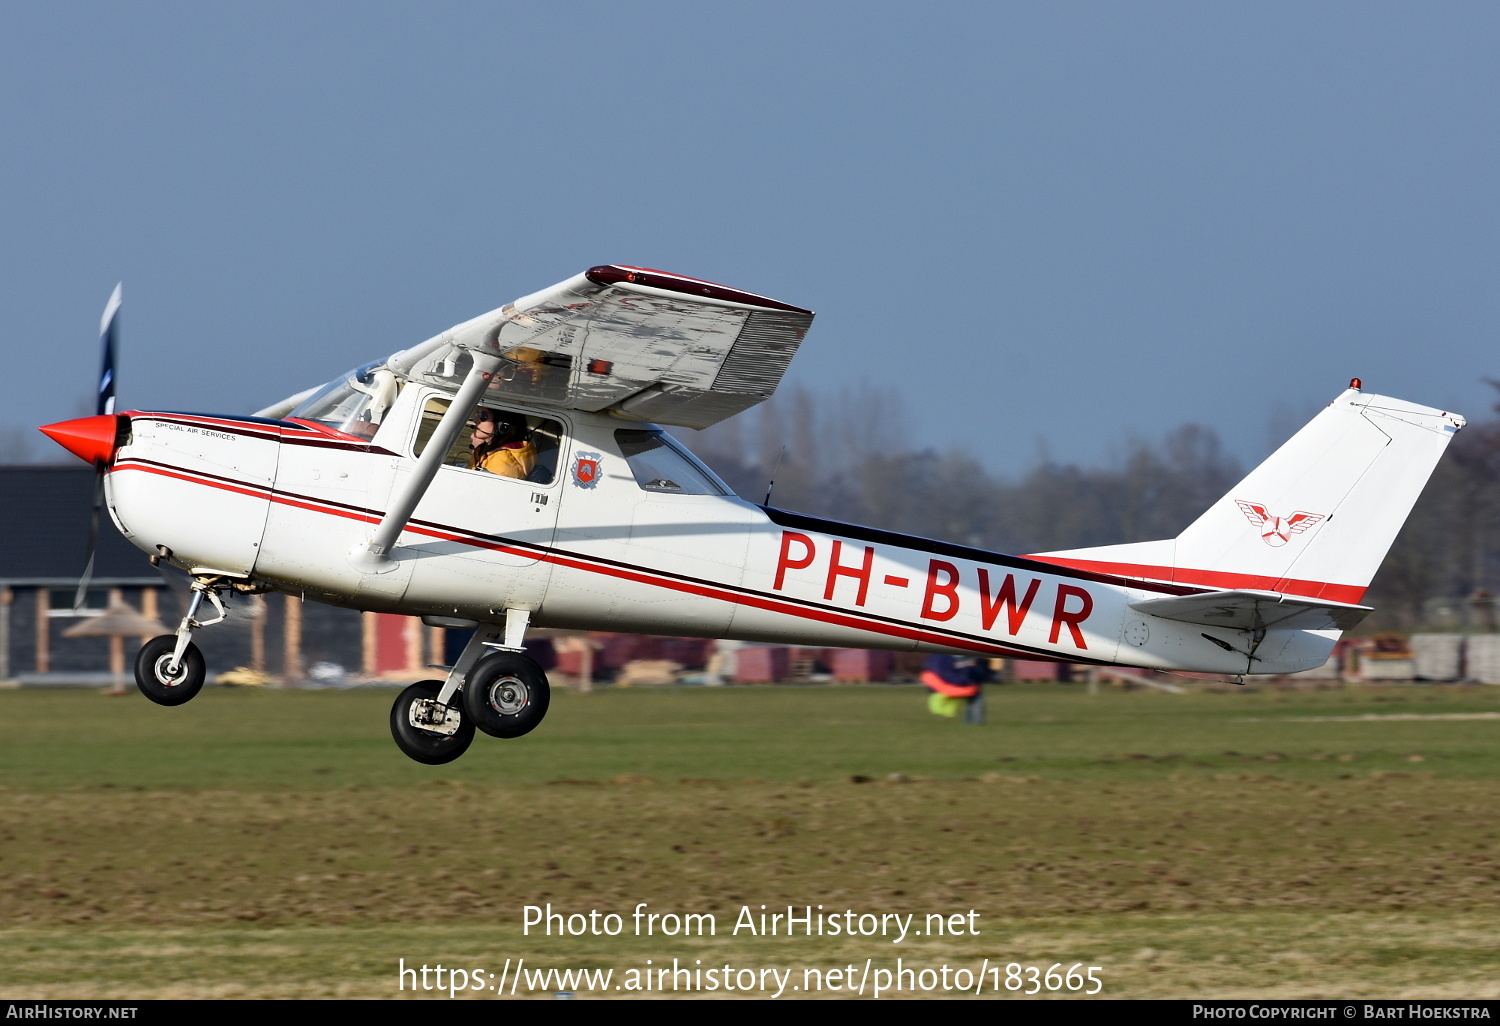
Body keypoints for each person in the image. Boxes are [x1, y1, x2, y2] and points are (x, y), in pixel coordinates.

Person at [468, 409, 537, 479]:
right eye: (478, 413)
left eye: (483, 415)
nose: (475, 419)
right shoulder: (489, 452)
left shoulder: (502, 461)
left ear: (503, 425)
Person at [921, 654, 989, 724]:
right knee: (975, 695)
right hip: (955, 686)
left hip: (952, 686)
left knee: (974, 694)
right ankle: (976, 721)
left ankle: (974, 722)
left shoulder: (939, 656)